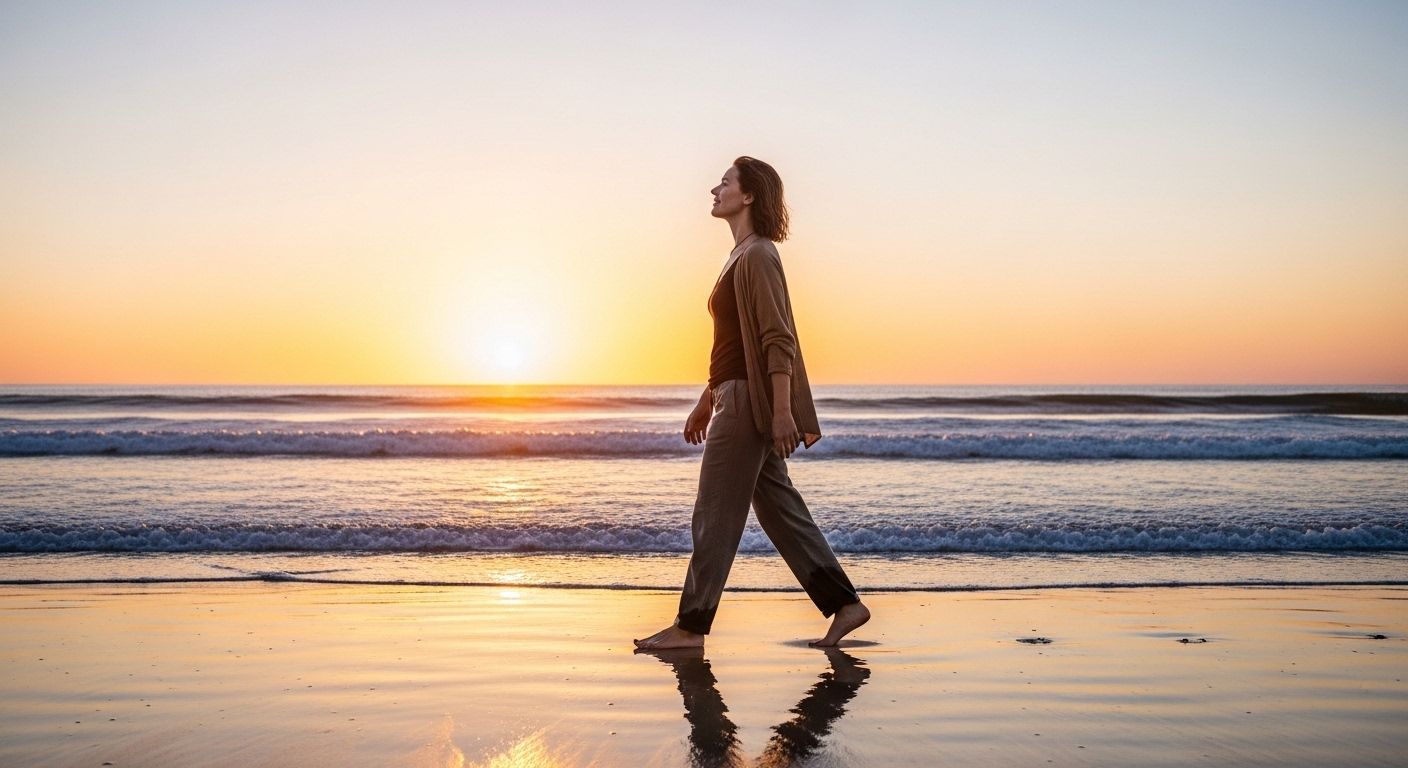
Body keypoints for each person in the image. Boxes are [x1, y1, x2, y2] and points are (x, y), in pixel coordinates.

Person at [634, 156, 871, 650]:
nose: (714, 189)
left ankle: (691, 625)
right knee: (779, 510)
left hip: (747, 404)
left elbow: (775, 340)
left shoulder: (759, 254)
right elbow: (734, 346)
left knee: (714, 513)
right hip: (732, 396)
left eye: (724, 182)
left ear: (748, 196)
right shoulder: (739, 256)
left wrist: (782, 412)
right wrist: (707, 397)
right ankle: (845, 604)